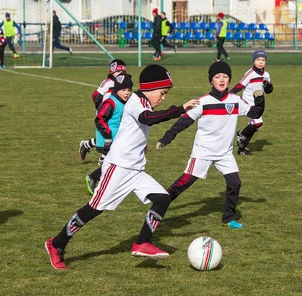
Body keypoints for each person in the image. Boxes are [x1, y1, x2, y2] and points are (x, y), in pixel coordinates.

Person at [45, 65, 199, 269]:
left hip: (135, 169)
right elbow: (147, 119)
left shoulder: (144, 101)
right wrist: (178, 109)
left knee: (162, 199)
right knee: (94, 208)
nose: (162, 98)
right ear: (150, 88)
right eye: (162, 93)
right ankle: (56, 244)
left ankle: (142, 242)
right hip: (118, 166)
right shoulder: (136, 102)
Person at [155, 62, 265, 229]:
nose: (222, 80)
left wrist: (259, 99)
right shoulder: (203, 102)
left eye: (225, 77)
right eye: (217, 77)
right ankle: (157, 208)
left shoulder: (235, 101)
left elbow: (255, 113)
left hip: (224, 154)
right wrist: (167, 137)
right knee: (183, 183)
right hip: (203, 153)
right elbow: (184, 121)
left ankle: (228, 218)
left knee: (234, 183)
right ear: (211, 80)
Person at [84, 73, 134, 195]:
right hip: (107, 139)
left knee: (117, 163)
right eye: (123, 90)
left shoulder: (124, 102)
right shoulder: (110, 103)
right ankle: (96, 179)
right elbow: (100, 119)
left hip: (117, 139)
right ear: (116, 90)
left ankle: (98, 180)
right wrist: (107, 136)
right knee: (116, 163)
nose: (127, 93)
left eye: (129, 90)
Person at [79, 59, 128, 161]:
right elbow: (96, 95)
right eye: (118, 72)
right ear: (112, 72)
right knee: (109, 136)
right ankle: (104, 160)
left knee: (112, 136)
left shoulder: (123, 84)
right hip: (105, 114)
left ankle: (87, 145)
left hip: (116, 114)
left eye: (123, 72)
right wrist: (101, 108)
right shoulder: (108, 83)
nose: (121, 75)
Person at [230, 49, 273, 156]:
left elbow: (268, 91)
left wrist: (269, 87)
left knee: (255, 126)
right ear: (254, 60)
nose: (260, 62)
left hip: (258, 103)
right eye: (258, 59)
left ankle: (242, 148)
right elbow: (240, 85)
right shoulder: (250, 73)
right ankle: (241, 134)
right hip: (248, 102)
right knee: (257, 123)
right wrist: (229, 94)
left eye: (263, 60)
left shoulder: (266, 75)